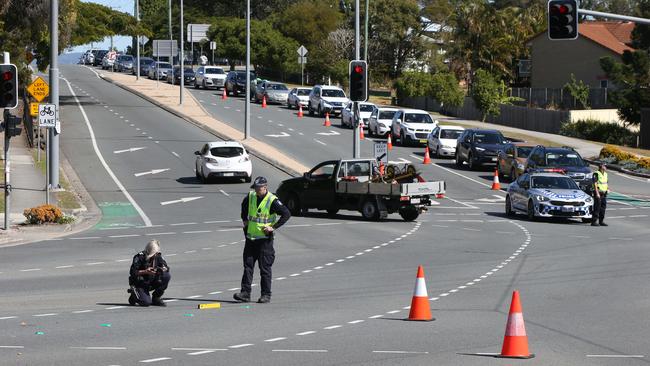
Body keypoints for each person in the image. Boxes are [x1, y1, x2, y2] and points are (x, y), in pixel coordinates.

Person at [233, 176, 291, 304]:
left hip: (265, 241)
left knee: (264, 269)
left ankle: (266, 295)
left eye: (259, 188)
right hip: (250, 239)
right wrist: (245, 223)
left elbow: (286, 214)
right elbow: (243, 208)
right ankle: (245, 293)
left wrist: (273, 227)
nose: (256, 190)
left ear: (265, 188)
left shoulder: (272, 200)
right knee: (248, 266)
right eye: (255, 188)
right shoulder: (251, 196)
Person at [129, 239, 171, 306]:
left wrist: (161, 269)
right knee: (146, 303)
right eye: (154, 253)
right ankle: (135, 295)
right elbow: (133, 272)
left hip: (151, 280)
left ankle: (156, 298)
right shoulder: (139, 257)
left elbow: (166, 267)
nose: (155, 255)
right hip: (140, 283)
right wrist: (145, 271)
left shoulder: (158, 256)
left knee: (166, 275)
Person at [591, 162, 609, 227]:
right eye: (605, 166)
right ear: (601, 166)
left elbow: (606, 183)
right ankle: (594, 221)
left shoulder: (606, 174)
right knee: (597, 207)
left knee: (603, 208)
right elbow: (595, 184)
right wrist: (597, 193)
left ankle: (601, 221)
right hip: (598, 193)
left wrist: (608, 189)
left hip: (604, 193)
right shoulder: (596, 173)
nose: (606, 167)